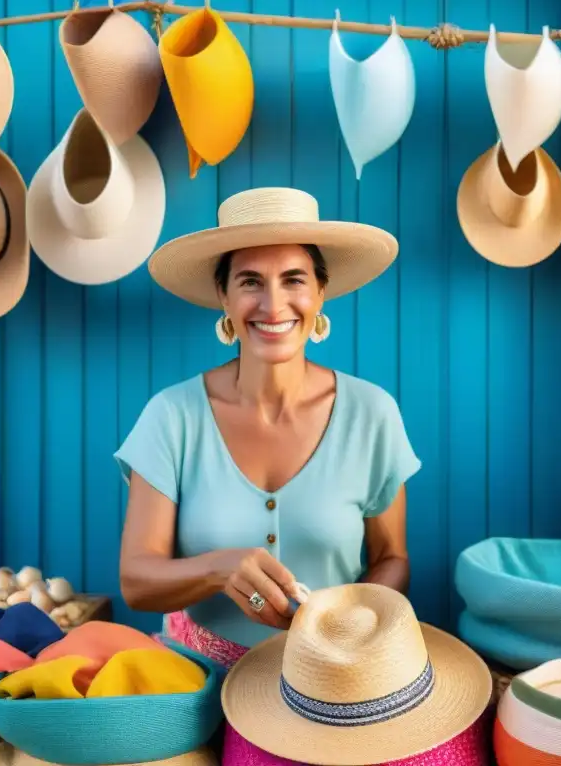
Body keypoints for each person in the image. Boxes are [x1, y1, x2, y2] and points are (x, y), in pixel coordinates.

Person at [113, 187, 422, 663]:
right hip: (197, 678)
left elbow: (391, 560)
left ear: (321, 291)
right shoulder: (171, 416)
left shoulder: (373, 413)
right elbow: (136, 581)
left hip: (337, 670)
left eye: (294, 280)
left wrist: (345, 625)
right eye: (251, 281)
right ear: (224, 296)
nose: (273, 306)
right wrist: (221, 568)